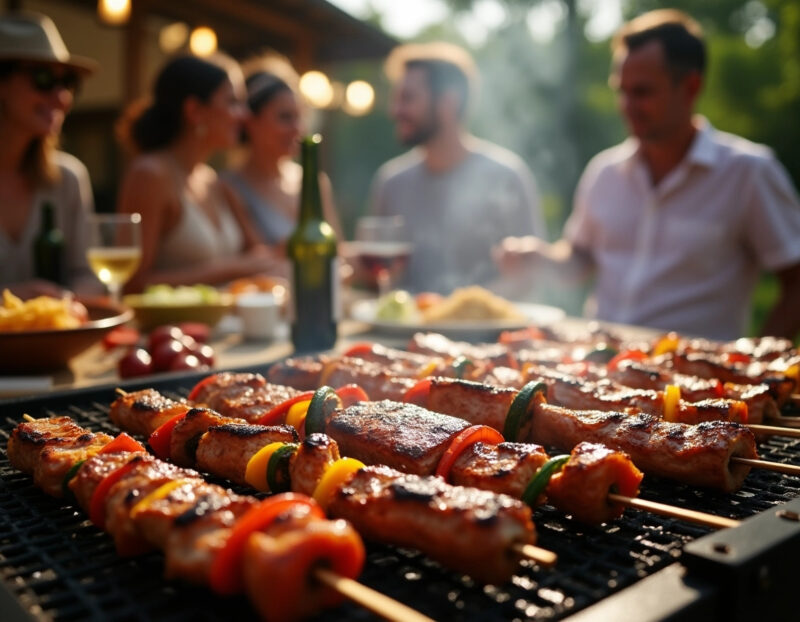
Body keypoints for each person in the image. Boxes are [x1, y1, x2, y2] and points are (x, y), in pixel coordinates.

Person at [496, 9, 800, 341]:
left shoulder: (748, 172)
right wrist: (540, 258)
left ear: (690, 87)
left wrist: (754, 365)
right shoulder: (604, 172)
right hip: (597, 366)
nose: (626, 104)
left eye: (641, 92)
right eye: (621, 91)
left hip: (693, 380)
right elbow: (579, 259)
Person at [368, 41, 545, 295]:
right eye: (396, 99)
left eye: (407, 98)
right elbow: (379, 282)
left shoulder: (506, 177)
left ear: (448, 102)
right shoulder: (391, 182)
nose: (395, 110)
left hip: (491, 333)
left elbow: (531, 276)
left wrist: (458, 312)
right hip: (404, 334)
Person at [116, 54, 285, 293]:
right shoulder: (150, 175)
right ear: (195, 110)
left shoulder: (214, 182)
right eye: (232, 102)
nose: (244, 115)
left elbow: (259, 256)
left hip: (225, 327)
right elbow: (132, 283)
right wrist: (232, 269)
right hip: (168, 329)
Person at [0, 12, 99, 299]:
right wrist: (14, 298)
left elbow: (88, 274)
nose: (62, 97)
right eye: (43, 78)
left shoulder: (68, 178)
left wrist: (66, 302)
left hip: (53, 344)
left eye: (68, 82)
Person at [223, 55, 342, 250]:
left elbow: (337, 254)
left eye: (300, 117)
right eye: (285, 117)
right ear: (250, 121)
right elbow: (259, 259)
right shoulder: (229, 189)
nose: (298, 129)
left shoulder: (315, 183)